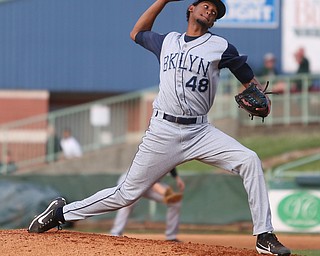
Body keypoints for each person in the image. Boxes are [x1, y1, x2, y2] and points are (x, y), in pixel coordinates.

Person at [28, 1, 291, 255]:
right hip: (163, 130)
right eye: (205, 5)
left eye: (215, 11)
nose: (210, 10)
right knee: (126, 194)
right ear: (191, 9)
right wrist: (163, 0)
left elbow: (248, 80)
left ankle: (264, 236)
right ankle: (61, 213)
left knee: (250, 160)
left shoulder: (220, 46)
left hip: (200, 132)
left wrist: (261, 95)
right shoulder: (167, 41)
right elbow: (137, 33)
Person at [110, 168, 184, 241]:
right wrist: (166, 193)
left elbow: (170, 163)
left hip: (149, 184)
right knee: (128, 204)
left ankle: (171, 237)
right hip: (131, 181)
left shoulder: (167, 158)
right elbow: (154, 184)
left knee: (175, 202)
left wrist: (177, 177)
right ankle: (115, 233)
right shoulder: (153, 158)